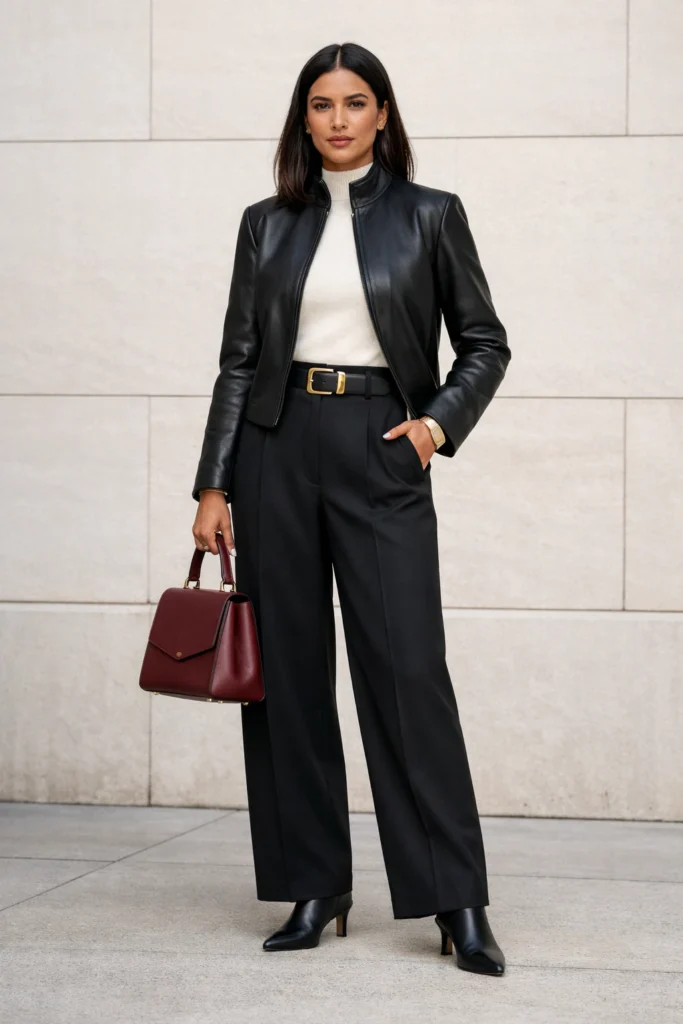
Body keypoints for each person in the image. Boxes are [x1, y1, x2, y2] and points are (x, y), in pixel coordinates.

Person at [191, 41, 511, 977]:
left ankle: (455, 901)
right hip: (274, 450)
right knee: (286, 675)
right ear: (304, 119)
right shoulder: (266, 224)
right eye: (320, 104)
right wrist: (213, 483)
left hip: (381, 445)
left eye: (355, 102)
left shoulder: (430, 216)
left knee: (408, 673)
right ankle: (314, 886)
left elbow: (484, 344)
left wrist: (433, 429)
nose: (337, 118)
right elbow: (239, 359)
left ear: (382, 114)